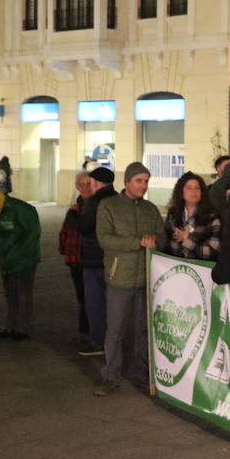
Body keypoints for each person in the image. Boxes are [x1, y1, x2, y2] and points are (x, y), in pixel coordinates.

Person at [94, 162, 165, 396]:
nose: (143, 185)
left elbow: (162, 237)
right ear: (127, 182)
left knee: (143, 329)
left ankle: (139, 370)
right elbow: (105, 239)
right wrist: (137, 242)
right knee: (115, 330)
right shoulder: (109, 206)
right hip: (119, 279)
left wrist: (155, 240)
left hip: (146, 279)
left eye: (146, 181)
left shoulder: (150, 209)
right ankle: (110, 375)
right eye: (139, 181)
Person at [0, 187, 42, 342]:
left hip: (24, 260)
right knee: (11, 294)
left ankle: (22, 329)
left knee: (23, 294)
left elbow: (32, 235)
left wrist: (16, 256)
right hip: (5, 260)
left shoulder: (22, 210)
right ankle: (10, 327)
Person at [77, 166, 116, 355]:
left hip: (94, 258)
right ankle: (113, 341)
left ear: (95, 183)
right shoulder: (117, 199)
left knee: (95, 302)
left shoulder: (94, 202)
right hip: (113, 260)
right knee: (112, 303)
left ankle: (98, 341)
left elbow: (84, 226)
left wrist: (74, 214)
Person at [60, 172, 96, 346]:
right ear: (77, 187)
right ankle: (84, 332)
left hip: (90, 260)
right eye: (81, 185)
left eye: (89, 184)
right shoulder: (75, 208)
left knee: (92, 298)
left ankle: (91, 334)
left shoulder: (96, 206)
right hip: (75, 259)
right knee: (82, 298)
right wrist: (65, 250)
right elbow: (65, 232)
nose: (85, 188)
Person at [164, 172, 221, 261]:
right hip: (176, 268)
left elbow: (214, 251)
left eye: (197, 188)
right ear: (181, 191)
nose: (193, 192)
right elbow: (166, 244)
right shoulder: (173, 214)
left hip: (200, 269)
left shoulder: (212, 216)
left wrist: (187, 240)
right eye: (189, 187)